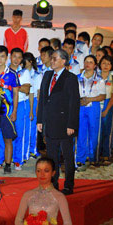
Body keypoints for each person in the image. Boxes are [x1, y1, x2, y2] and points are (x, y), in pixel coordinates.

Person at [37, 49, 80, 195]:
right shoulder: (47, 75)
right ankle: (53, 184)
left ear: (63, 61)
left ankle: (68, 185)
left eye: (55, 58)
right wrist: (40, 120)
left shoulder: (70, 78)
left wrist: (71, 124)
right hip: (49, 123)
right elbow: (43, 99)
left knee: (67, 157)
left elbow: (74, 103)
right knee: (51, 156)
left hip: (64, 124)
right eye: (52, 58)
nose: (52, 60)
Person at [14, 158, 72, 225]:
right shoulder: (28, 195)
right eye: (39, 171)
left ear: (53, 173)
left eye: (46, 171)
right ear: (36, 172)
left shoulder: (59, 196)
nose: (42, 174)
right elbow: (18, 220)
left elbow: (68, 223)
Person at [75, 55, 106, 170]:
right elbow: (73, 94)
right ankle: (81, 158)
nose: (88, 64)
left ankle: (93, 157)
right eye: (86, 62)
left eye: (91, 62)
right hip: (81, 107)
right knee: (81, 132)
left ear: (95, 65)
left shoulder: (99, 79)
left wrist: (90, 99)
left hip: (93, 106)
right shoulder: (77, 77)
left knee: (94, 132)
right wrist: (80, 100)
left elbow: (103, 95)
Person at [0, 46, 19, 174]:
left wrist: (14, 111)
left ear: (6, 58)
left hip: (7, 112)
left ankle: (8, 164)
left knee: (8, 139)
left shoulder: (12, 74)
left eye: (2, 56)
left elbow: (16, 94)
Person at [10, 48, 31, 170]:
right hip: (7, 104)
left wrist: (14, 86)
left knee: (19, 132)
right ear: (10, 57)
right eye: (14, 56)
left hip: (21, 103)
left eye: (19, 57)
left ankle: (18, 159)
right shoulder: (6, 71)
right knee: (5, 133)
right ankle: (1, 159)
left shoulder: (24, 72)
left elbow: (27, 89)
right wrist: (18, 87)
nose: (16, 60)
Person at [99, 55, 113, 164]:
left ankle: (106, 153)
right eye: (104, 63)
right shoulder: (95, 77)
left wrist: (106, 109)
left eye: (108, 64)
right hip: (97, 103)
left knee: (107, 129)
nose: (106, 66)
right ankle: (96, 153)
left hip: (108, 104)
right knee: (97, 130)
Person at [22, 52, 41, 160]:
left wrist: (37, 106)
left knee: (33, 127)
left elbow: (38, 92)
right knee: (24, 127)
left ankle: (32, 150)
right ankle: (24, 150)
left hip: (33, 100)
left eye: (25, 60)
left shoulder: (37, 75)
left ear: (30, 62)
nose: (23, 63)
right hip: (24, 99)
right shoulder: (20, 72)